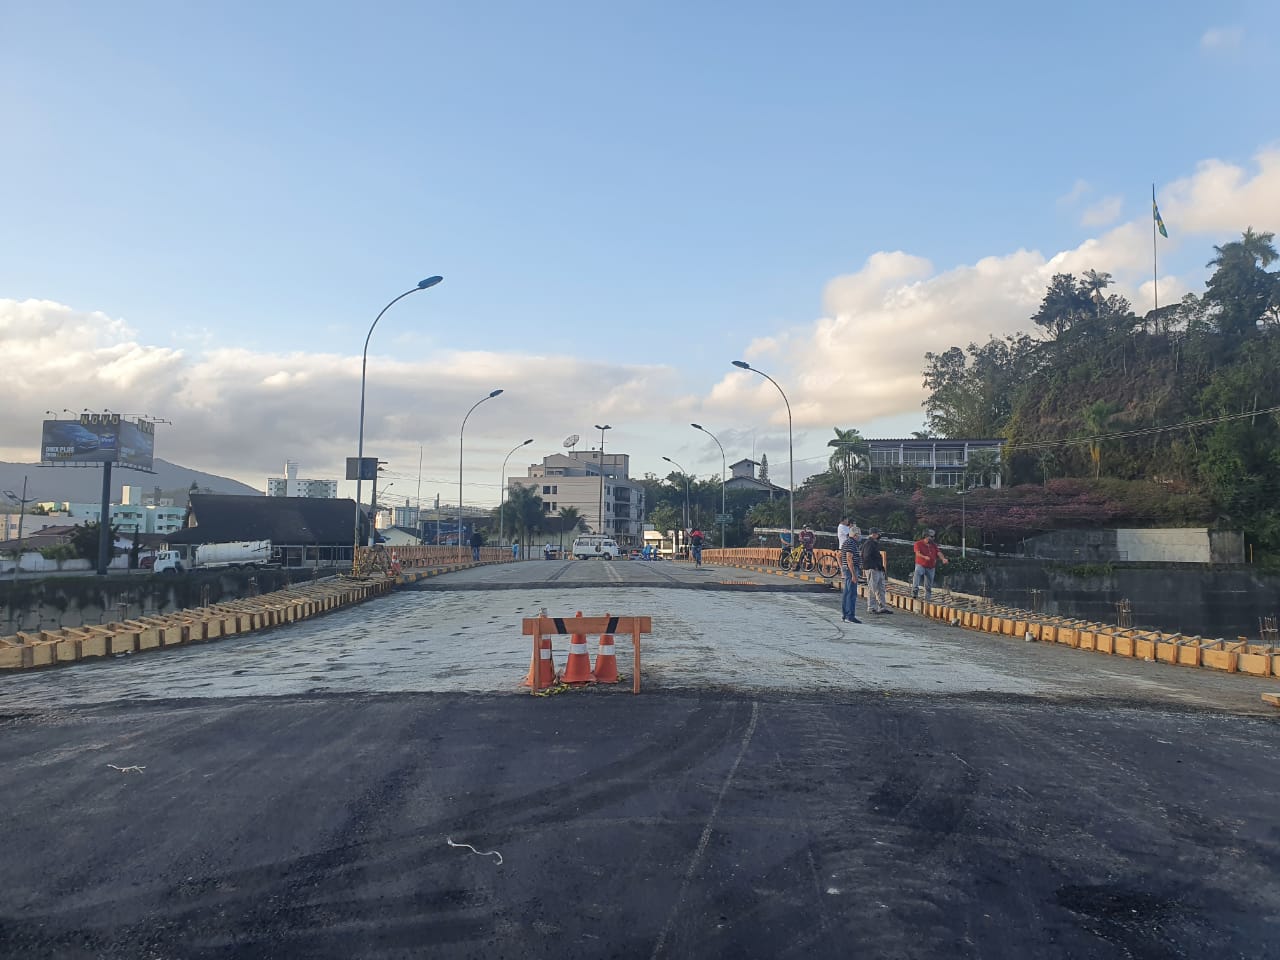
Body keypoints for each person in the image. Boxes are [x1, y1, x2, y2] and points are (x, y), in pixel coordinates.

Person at [911, 528, 948, 600]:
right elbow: (917, 553)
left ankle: (927, 599)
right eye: (931, 536)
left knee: (929, 585)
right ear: (926, 536)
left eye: (933, 537)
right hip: (921, 564)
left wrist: (943, 559)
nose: (933, 538)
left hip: (931, 567)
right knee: (917, 572)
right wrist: (924, 557)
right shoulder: (918, 543)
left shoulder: (934, 545)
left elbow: (938, 552)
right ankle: (915, 591)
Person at [861, 528, 891, 614]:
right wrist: (874, 566)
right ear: (873, 534)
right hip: (873, 569)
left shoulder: (874, 543)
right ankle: (871, 607)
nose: (879, 536)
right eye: (878, 534)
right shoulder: (869, 543)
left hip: (878, 569)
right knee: (872, 588)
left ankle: (882, 606)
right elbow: (866, 556)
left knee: (881, 588)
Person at [839, 525, 864, 623]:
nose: (859, 537)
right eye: (858, 535)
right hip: (851, 569)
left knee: (847, 592)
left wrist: (842, 567)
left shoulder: (846, 542)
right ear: (855, 535)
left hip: (847, 569)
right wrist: (853, 574)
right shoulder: (851, 543)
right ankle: (850, 615)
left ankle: (845, 614)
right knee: (851, 593)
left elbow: (839, 555)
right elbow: (849, 559)